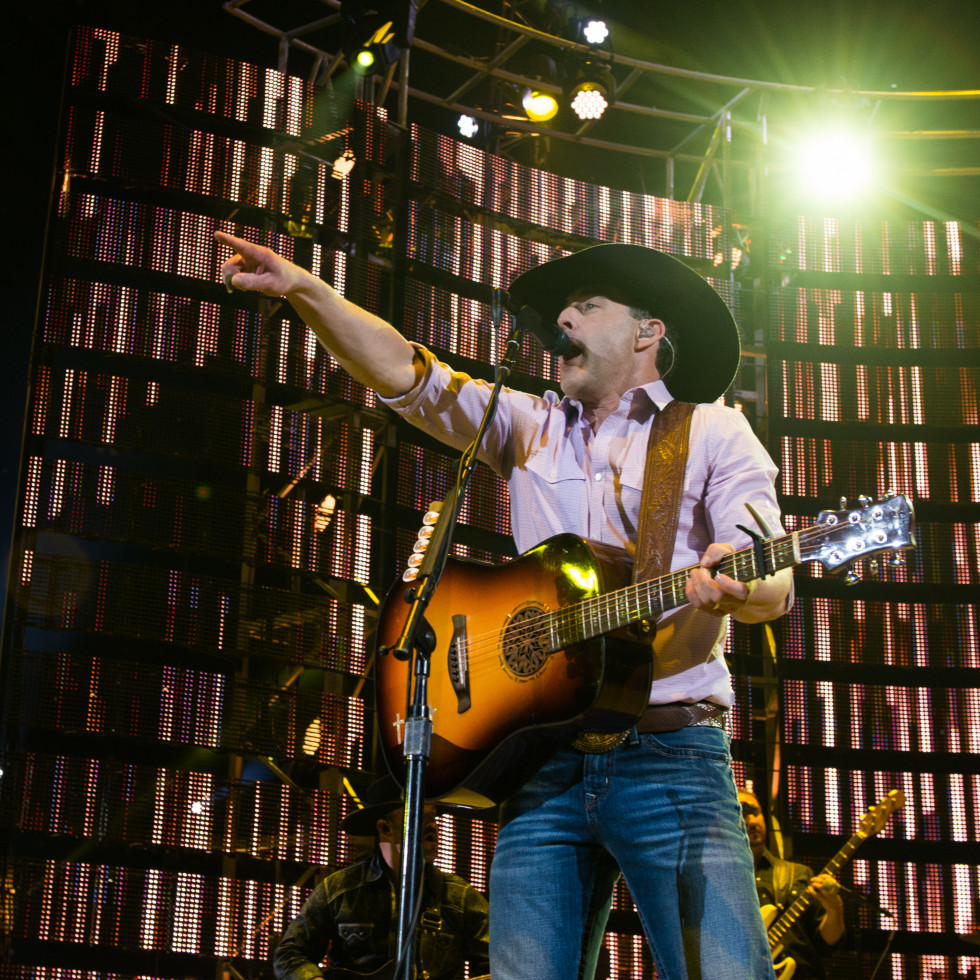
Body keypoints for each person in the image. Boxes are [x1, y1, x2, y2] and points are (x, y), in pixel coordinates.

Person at [217, 230, 795, 980]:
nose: (564, 319)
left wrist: (739, 584)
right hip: (541, 763)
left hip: (670, 756)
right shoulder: (529, 425)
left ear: (650, 332)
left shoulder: (714, 429)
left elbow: (775, 577)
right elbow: (405, 374)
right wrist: (305, 289)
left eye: (586, 306)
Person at [273, 774, 490, 979]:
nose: (432, 825)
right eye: (418, 816)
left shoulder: (459, 897)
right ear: (384, 827)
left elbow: (500, 960)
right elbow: (289, 956)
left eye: (433, 816)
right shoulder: (338, 890)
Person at [739, 788, 846, 980]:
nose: (753, 821)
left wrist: (835, 908)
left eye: (756, 813)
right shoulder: (715, 885)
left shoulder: (797, 874)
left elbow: (827, 944)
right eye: (743, 813)